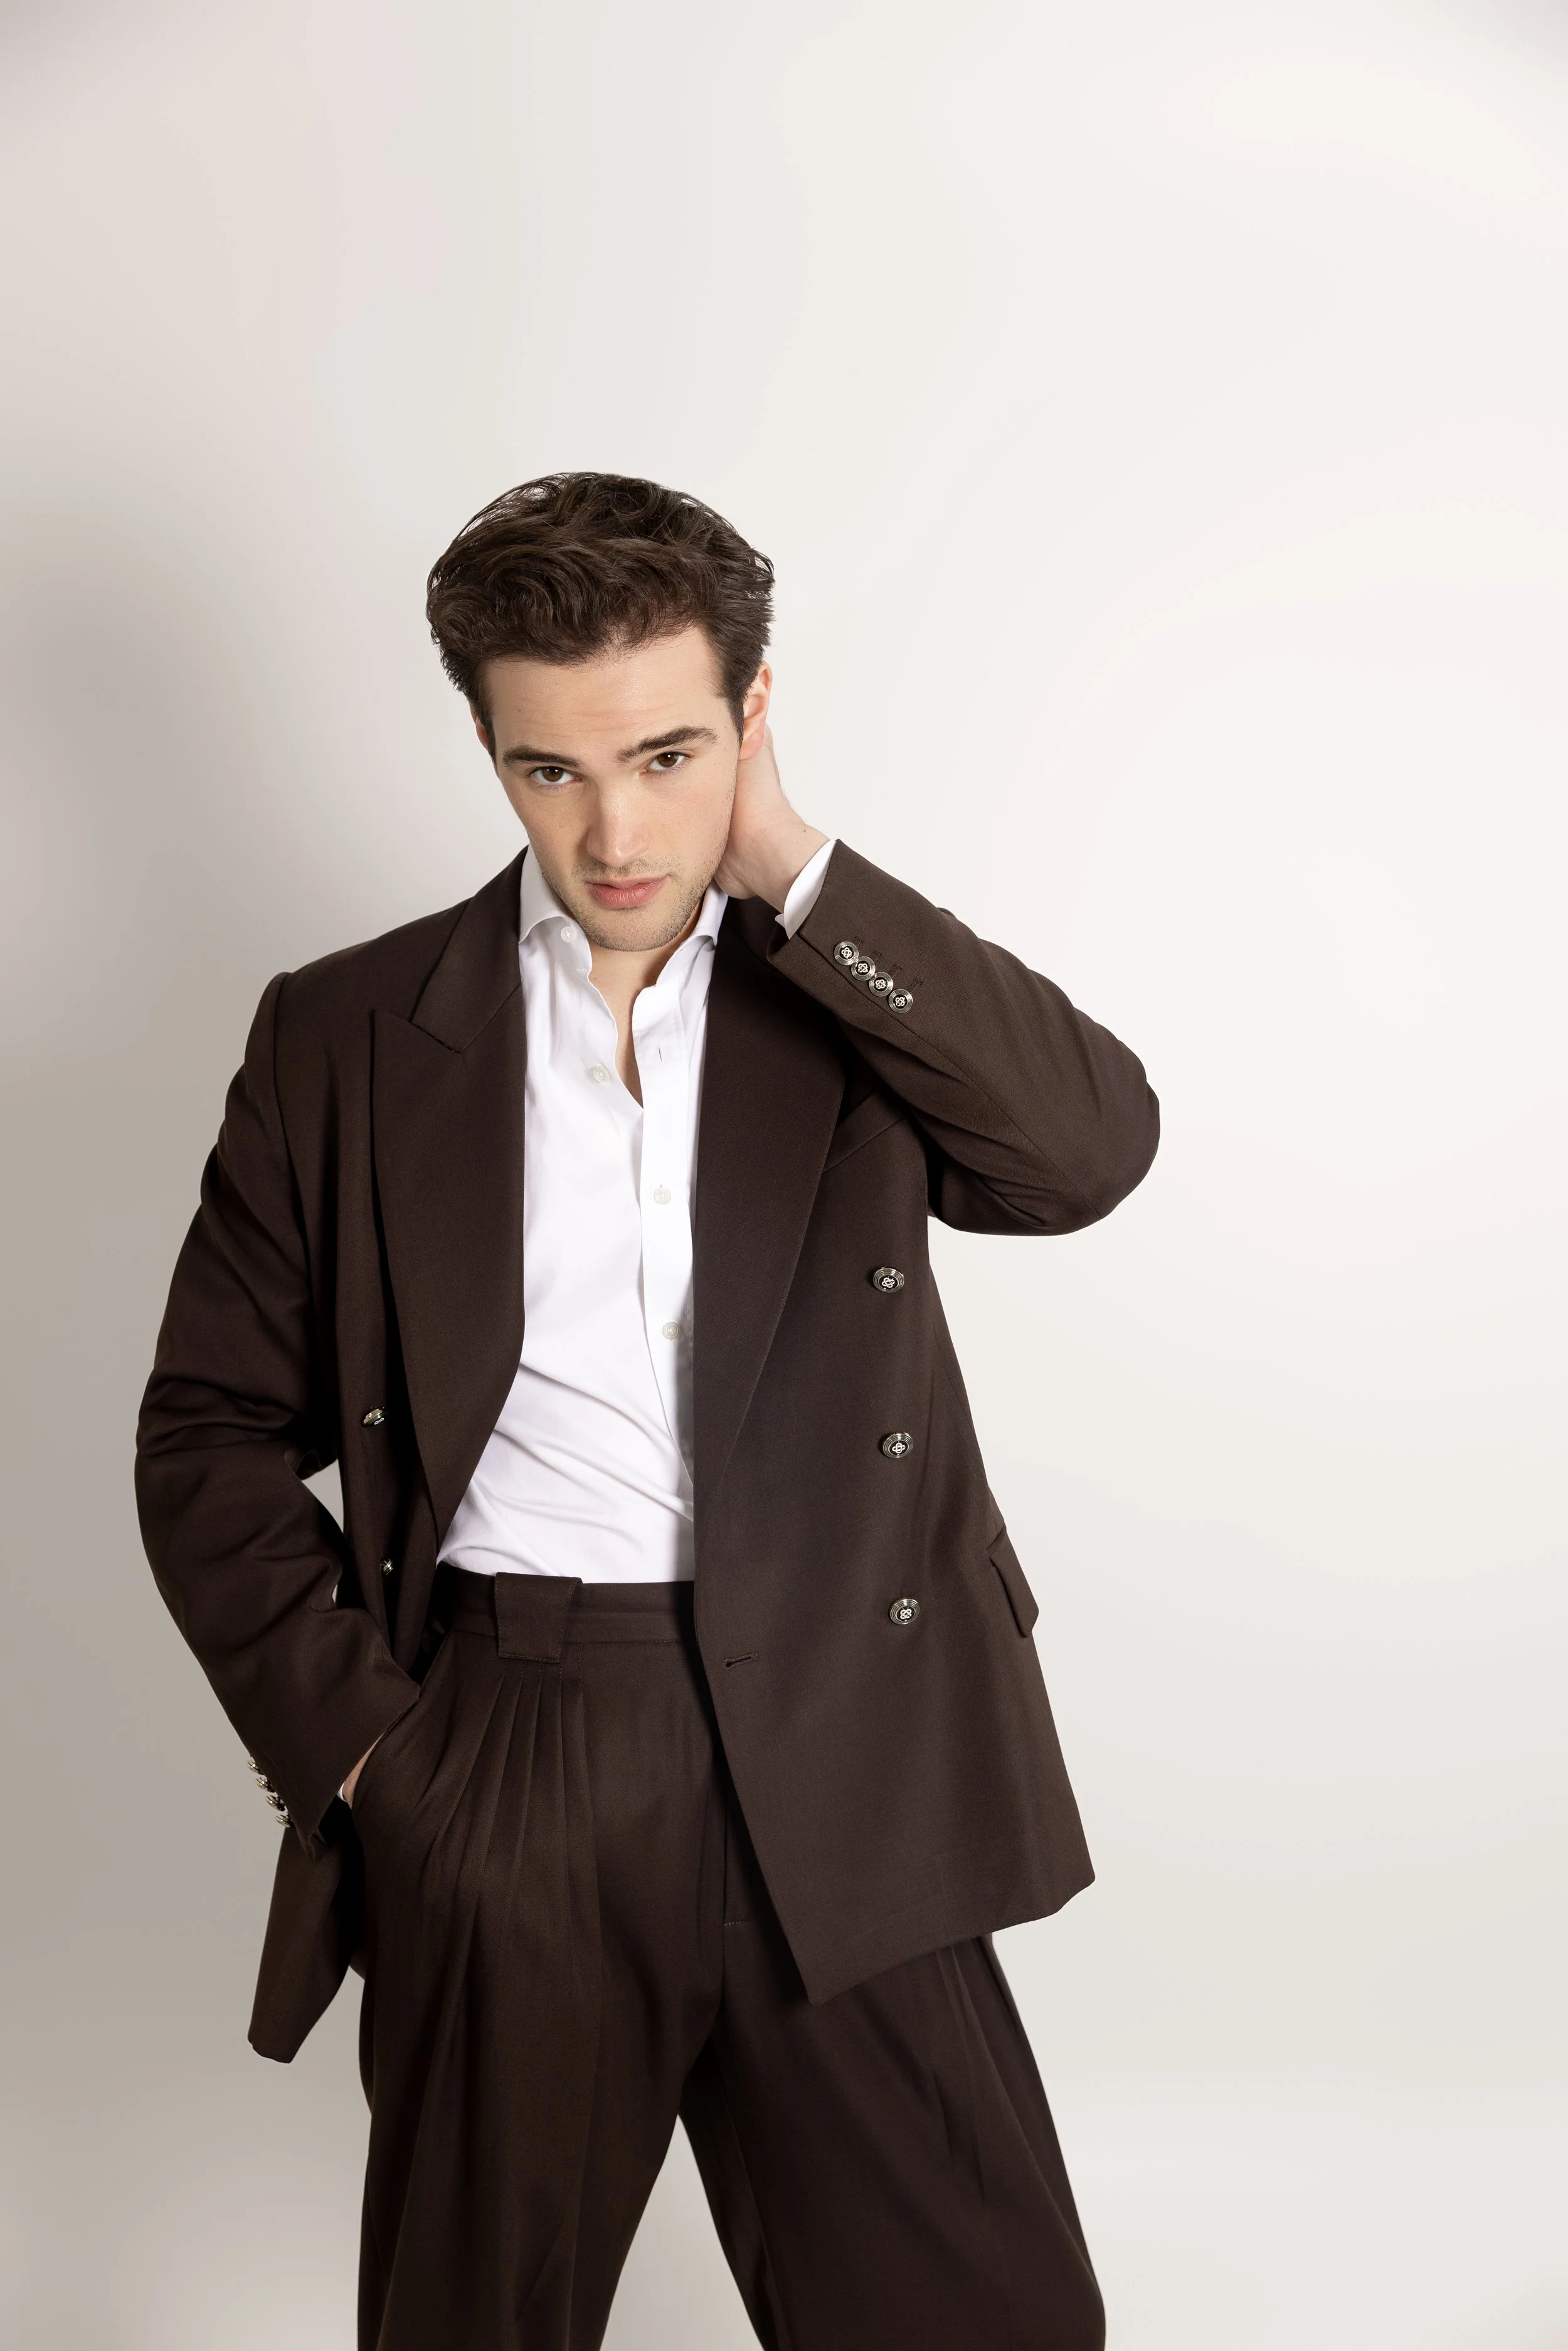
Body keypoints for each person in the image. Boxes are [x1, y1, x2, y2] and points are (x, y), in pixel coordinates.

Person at [136, 472, 1159, 2351]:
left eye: (667, 757)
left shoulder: (843, 992)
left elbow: (1084, 1152)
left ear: (751, 716)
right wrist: (376, 1761)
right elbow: (204, 1434)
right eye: (550, 769)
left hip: (843, 1730)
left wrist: (793, 867)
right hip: (509, 1743)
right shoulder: (346, 1032)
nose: (614, 832)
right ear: (487, 745)